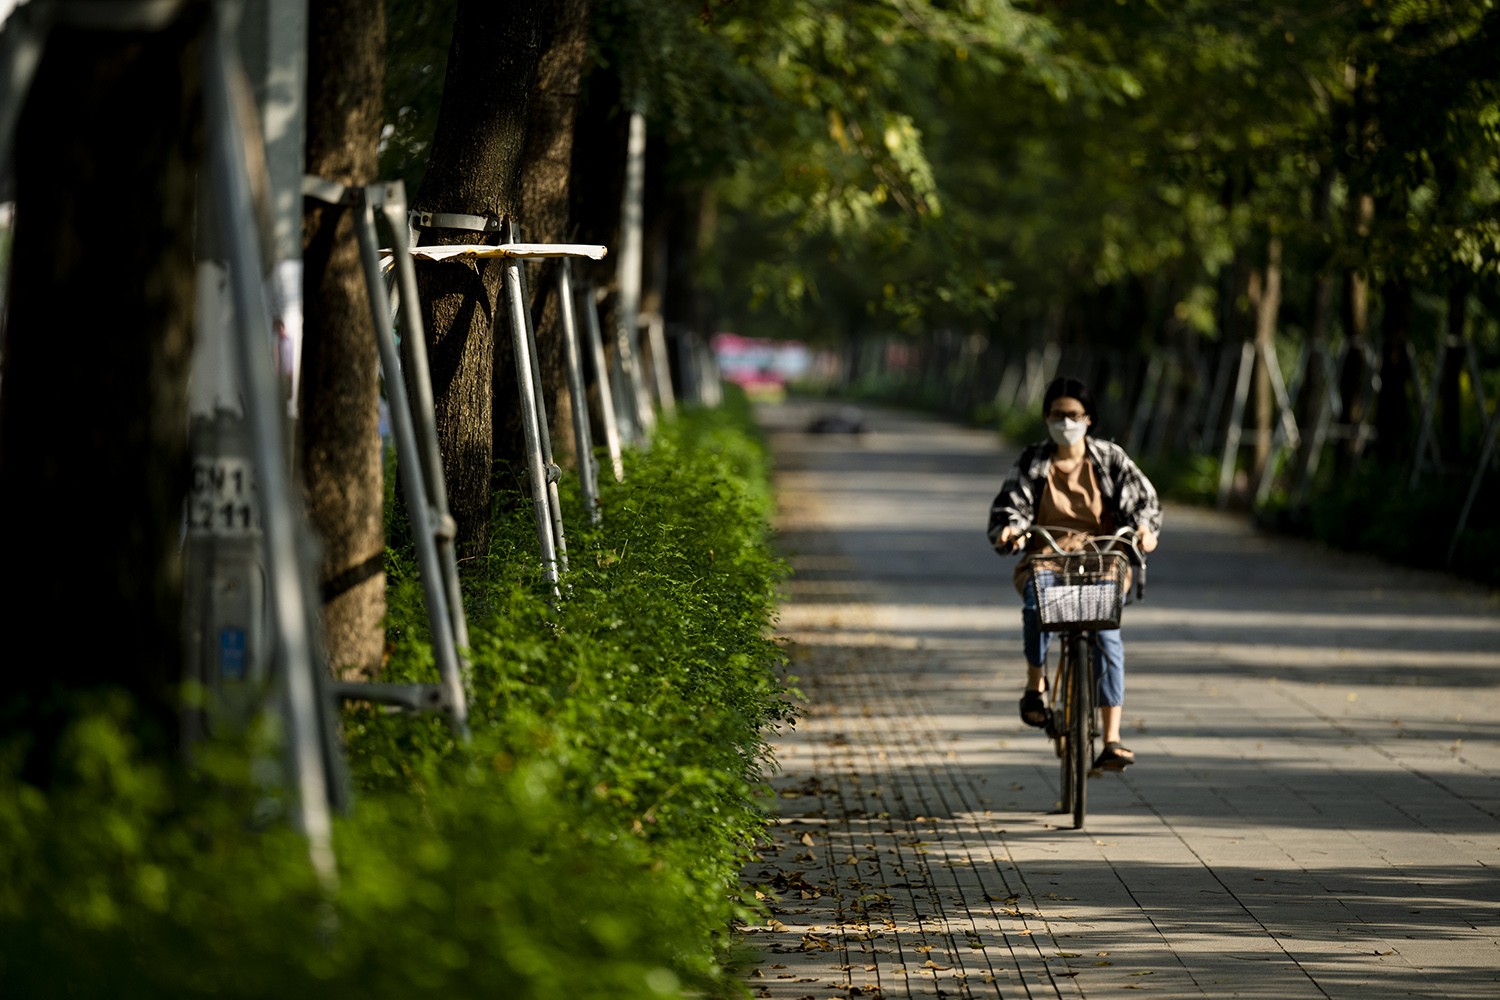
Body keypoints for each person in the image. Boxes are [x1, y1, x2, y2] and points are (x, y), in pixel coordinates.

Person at [986, 375, 1161, 771]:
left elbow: (1144, 501)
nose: (1065, 422)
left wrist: (1145, 530)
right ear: (1046, 417)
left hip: (1102, 559)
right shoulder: (1033, 461)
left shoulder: (1110, 459)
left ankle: (1112, 737)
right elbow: (1009, 507)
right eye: (1057, 415)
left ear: (1089, 419)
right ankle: (1036, 685)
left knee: (1108, 635)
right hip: (1046, 558)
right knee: (1035, 607)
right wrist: (1012, 530)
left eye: (1073, 415)